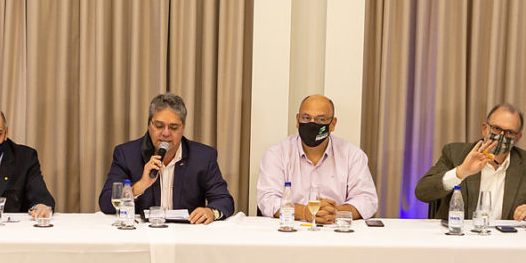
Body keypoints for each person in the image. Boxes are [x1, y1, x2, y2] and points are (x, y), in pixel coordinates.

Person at [415, 103, 526, 221]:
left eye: (509, 132)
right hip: (460, 242)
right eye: (496, 129)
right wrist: (461, 172)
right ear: (485, 129)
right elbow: (422, 192)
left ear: (518, 138)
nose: (501, 136)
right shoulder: (456, 153)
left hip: (507, 249)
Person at [99, 93, 234, 224]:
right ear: (149, 125)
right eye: (159, 126)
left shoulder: (203, 156)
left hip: (186, 235)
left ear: (183, 127)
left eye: (173, 127)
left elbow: (224, 200)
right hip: (143, 235)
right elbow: (106, 203)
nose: (165, 133)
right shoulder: (126, 154)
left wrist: (211, 212)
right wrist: (139, 186)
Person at [256, 95, 378, 222]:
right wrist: (304, 212)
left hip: (336, 232)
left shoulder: (352, 155)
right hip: (290, 231)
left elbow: (367, 199)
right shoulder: (276, 154)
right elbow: (267, 200)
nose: (312, 124)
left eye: (321, 119)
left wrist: (336, 212)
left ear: (333, 124)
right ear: (297, 121)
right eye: (306, 118)